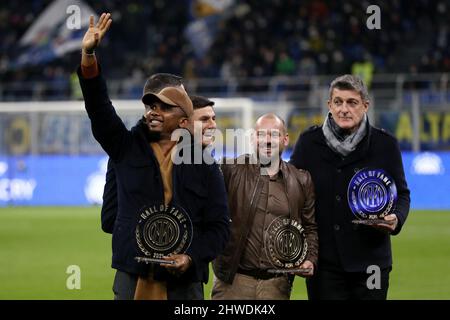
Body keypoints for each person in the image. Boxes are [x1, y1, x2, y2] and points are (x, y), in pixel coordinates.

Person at [78, 13, 230, 300]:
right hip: (132, 278)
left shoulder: (204, 162)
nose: (153, 111)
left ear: (184, 120)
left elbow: (219, 227)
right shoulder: (125, 147)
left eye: (164, 107)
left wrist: (191, 256)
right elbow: (98, 108)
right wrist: (88, 55)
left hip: (184, 284)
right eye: (150, 105)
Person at [289, 74, 411, 300]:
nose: (344, 109)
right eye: (338, 102)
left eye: (352, 102)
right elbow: (290, 192)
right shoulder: (308, 142)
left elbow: (402, 195)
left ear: (365, 105)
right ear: (329, 105)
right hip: (324, 264)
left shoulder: (385, 145)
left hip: (371, 262)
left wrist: (396, 219)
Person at [211, 113, 318, 300]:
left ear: (285, 139)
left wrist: (310, 259)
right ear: (253, 138)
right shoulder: (230, 170)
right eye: (261, 134)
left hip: (277, 285)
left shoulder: (301, 180)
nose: (267, 141)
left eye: (274, 135)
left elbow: (309, 228)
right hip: (233, 283)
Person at [101, 94, 217, 234]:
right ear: (184, 123)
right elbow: (110, 219)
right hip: (144, 251)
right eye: (204, 119)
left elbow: (219, 225)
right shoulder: (138, 158)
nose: (213, 125)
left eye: (213, 119)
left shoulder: (211, 166)